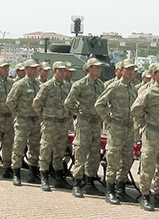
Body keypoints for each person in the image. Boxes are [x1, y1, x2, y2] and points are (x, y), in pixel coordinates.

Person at [130, 62, 159, 211]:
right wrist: (145, 123)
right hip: (152, 133)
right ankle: (145, 195)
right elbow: (136, 109)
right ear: (153, 75)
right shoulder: (148, 92)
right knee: (148, 166)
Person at [95, 59, 138, 204]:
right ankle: (110, 191)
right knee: (113, 159)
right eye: (128, 69)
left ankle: (121, 189)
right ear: (122, 71)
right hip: (116, 127)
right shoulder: (114, 87)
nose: (131, 72)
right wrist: (108, 119)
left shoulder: (133, 88)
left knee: (127, 159)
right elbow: (100, 104)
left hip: (129, 127)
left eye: (133, 69)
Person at [64, 57, 106, 197]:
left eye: (100, 67)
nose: (99, 70)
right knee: (81, 152)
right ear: (89, 68)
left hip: (96, 123)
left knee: (94, 154)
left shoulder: (101, 85)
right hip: (84, 122)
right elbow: (69, 102)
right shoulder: (79, 84)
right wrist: (78, 111)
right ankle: (76, 183)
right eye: (97, 67)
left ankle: (89, 182)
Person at [33, 61, 72, 191]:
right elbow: (37, 103)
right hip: (50, 123)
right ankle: (44, 177)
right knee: (46, 150)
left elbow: (70, 103)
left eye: (64, 71)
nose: (62, 73)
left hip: (62, 123)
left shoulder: (67, 86)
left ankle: (59, 178)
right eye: (60, 71)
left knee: (59, 152)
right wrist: (45, 115)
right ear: (54, 71)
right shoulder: (47, 86)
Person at [6, 59, 41, 186]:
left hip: (35, 120)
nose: (34, 71)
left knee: (34, 147)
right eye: (31, 68)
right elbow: (10, 101)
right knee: (19, 146)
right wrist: (18, 113)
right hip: (23, 120)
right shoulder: (20, 84)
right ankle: (16, 173)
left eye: (36, 68)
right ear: (26, 70)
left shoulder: (38, 85)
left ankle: (33, 173)